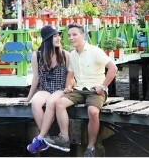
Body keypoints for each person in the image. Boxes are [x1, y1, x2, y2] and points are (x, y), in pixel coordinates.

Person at [42, 23, 117, 156]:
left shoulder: (95, 51)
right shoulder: (72, 55)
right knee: (59, 103)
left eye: (75, 35)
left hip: (95, 89)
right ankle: (64, 138)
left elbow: (113, 68)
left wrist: (103, 86)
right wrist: (68, 86)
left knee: (93, 111)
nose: (71, 38)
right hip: (79, 89)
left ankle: (90, 147)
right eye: (69, 35)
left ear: (83, 35)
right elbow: (70, 74)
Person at [26, 25, 74, 154]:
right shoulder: (37, 55)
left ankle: (40, 138)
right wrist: (28, 97)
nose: (58, 38)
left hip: (60, 88)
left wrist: (68, 87)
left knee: (51, 102)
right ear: (47, 39)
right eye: (54, 36)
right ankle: (46, 138)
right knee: (35, 103)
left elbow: (70, 75)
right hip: (44, 88)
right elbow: (36, 78)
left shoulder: (65, 55)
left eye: (58, 36)